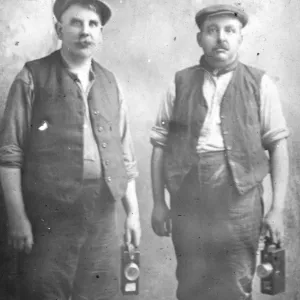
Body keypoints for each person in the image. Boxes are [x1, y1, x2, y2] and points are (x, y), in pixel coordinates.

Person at [0, 0, 141, 299]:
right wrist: (17, 218)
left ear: (100, 33)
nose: (85, 32)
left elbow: (125, 158)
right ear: (58, 29)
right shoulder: (32, 77)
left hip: (101, 213)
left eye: (92, 25)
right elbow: (10, 155)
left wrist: (133, 214)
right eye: (76, 23)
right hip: (49, 217)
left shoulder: (110, 83)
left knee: (100, 294)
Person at [150, 4, 289, 300]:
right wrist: (158, 203)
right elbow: (159, 145)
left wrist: (277, 209)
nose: (221, 38)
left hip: (240, 201)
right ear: (200, 38)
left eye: (230, 30)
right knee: (190, 282)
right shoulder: (179, 83)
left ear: (240, 38)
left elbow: (278, 146)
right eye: (212, 31)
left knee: (235, 283)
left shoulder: (260, 84)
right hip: (188, 198)